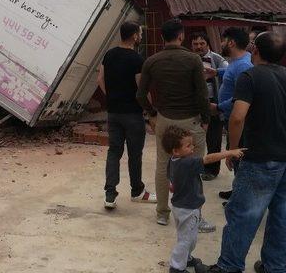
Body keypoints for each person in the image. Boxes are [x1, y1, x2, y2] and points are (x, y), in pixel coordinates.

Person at [207, 32, 286, 273]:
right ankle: (275, 267)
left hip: (259, 159)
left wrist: (233, 150)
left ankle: (228, 267)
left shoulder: (249, 76)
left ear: (255, 51)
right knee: (281, 216)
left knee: (243, 214)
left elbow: (237, 117)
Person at [137, 18, 211, 228]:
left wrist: (152, 115)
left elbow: (140, 95)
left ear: (162, 37)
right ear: (181, 36)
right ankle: (195, 215)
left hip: (164, 119)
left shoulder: (151, 61)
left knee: (163, 167)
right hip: (190, 121)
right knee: (194, 168)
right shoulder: (193, 60)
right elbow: (202, 95)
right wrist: (205, 120)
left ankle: (162, 213)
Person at [162, 125, 246, 273]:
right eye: (188, 146)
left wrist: (176, 186)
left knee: (189, 237)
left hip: (180, 206)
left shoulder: (173, 161)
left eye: (192, 144)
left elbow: (170, 181)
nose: (192, 147)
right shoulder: (187, 163)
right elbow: (208, 158)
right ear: (176, 150)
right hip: (188, 209)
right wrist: (229, 152)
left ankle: (186, 259)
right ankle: (176, 267)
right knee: (186, 239)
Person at [97, 21, 156, 209]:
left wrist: (112, 97)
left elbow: (100, 79)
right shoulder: (137, 59)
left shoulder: (109, 54)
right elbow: (142, 89)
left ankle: (110, 194)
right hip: (132, 114)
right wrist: (151, 111)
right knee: (134, 154)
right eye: (139, 33)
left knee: (114, 152)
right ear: (134, 36)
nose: (141, 36)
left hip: (113, 113)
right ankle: (137, 191)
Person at [208, 27, 252, 202]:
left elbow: (239, 98)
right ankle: (237, 190)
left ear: (231, 42)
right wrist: (217, 72)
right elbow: (232, 73)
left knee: (238, 156)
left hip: (236, 118)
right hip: (229, 115)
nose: (222, 44)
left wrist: (218, 107)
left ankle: (241, 198)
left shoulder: (243, 65)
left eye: (224, 40)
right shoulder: (238, 61)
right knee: (238, 159)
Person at [191, 32, 228, 180]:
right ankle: (194, 167)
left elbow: (228, 78)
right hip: (194, 104)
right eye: (195, 44)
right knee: (193, 139)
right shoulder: (190, 59)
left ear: (208, 44)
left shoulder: (219, 60)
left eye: (202, 44)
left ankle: (212, 170)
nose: (199, 47)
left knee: (214, 139)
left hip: (213, 103)